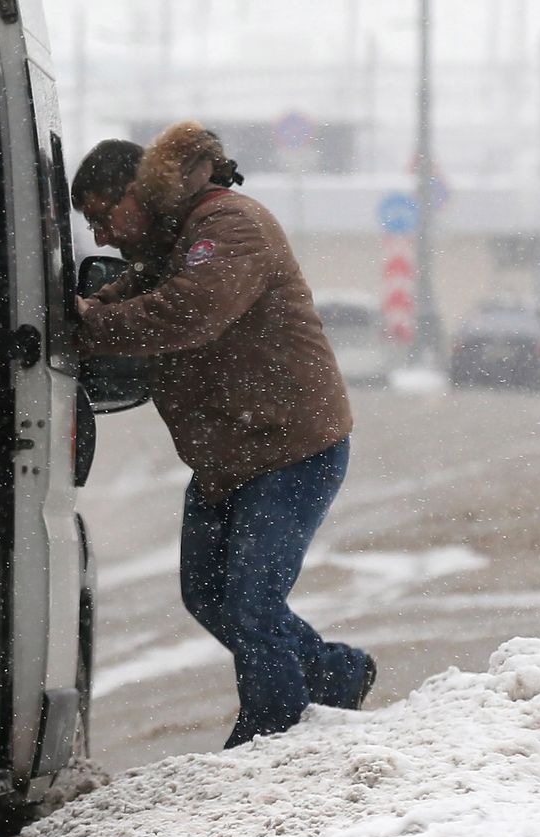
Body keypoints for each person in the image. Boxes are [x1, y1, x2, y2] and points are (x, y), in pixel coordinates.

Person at [71, 122, 375, 750]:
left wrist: (90, 329)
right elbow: (127, 295)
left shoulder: (229, 226)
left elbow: (189, 309)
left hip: (289, 447)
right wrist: (80, 316)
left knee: (250, 599)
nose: (100, 236)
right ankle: (337, 673)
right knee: (207, 594)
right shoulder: (168, 246)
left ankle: (271, 734)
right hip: (231, 456)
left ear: (138, 191)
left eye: (105, 215)